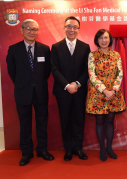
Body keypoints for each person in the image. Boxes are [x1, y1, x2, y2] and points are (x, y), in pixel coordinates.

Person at [6, 19, 54, 166]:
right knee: (25, 124)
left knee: (42, 122)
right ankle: (26, 153)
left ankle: (42, 150)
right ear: (22, 30)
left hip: (40, 92)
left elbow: (46, 72)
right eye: (28, 29)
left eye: (34, 29)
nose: (31, 32)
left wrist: (36, 83)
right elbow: (12, 72)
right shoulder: (13, 49)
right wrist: (24, 84)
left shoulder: (45, 49)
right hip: (22, 92)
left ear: (37, 31)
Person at [51, 16, 91, 161]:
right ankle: (68, 149)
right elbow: (54, 69)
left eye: (75, 27)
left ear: (78, 30)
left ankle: (78, 148)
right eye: (69, 26)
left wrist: (77, 84)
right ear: (64, 28)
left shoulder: (85, 47)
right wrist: (67, 86)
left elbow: (87, 69)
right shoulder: (56, 47)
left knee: (79, 120)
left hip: (79, 92)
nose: (72, 29)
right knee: (65, 120)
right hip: (63, 92)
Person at [86, 29, 126, 161]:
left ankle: (109, 147)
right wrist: (104, 91)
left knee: (109, 120)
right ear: (97, 40)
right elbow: (92, 75)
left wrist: (113, 90)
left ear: (110, 40)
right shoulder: (92, 55)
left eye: (106, 38)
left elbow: (120, 74)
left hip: (113, 94)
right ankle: (102, 149)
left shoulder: (116, 55)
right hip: (98, 93)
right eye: (101, 38)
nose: (104, 40)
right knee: (99, 121)